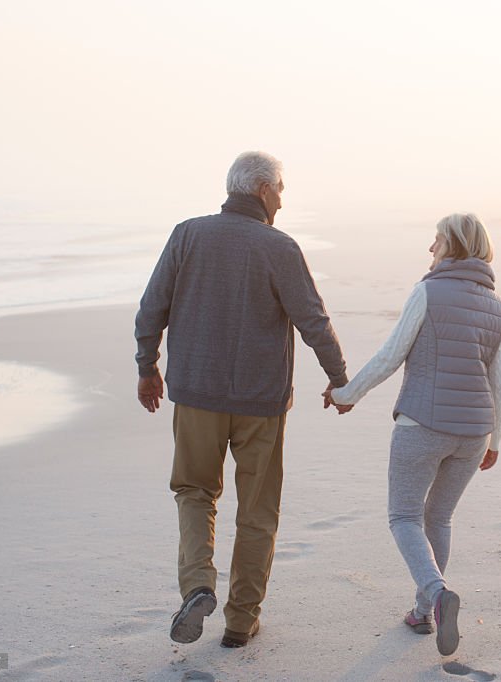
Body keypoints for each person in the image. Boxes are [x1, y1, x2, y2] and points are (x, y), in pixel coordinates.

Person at [134, 151, 348, 648]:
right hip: (261, 403)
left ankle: (198, 586)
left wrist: (148, 367)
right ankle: (240, 620)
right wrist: (340, 380)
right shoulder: (279, 246)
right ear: (262, 190)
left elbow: (152, 307)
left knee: (194, 491)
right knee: (257, 509)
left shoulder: (188, 234)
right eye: (281, 190)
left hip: (196, 394)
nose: (282, 200)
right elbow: (313, 320)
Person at [325, 214, 501, 657]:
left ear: (455, 246)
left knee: (404, 518)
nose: (431, 248)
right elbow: (498, 380)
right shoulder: (498, 307)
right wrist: (496, 440)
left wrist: (347, 393)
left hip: (423, 426)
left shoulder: (427, 291)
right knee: (439, 519)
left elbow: (392, 353)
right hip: (474, 433)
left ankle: (436, 592)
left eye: (437, 240)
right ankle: (424, 611)